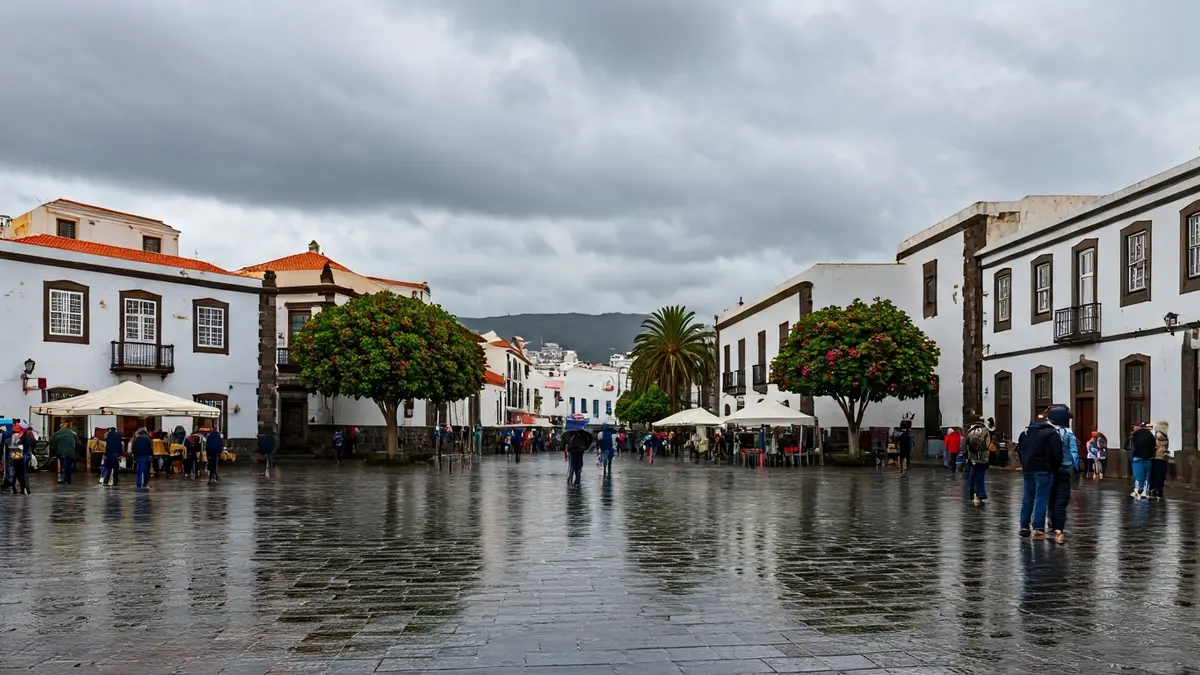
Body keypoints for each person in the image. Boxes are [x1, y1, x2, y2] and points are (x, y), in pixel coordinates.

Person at [1017, 412, 1064, 540]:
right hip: (1045, 470)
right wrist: (1056, 466)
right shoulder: (1052, 434)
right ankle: (1038, 528)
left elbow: (1020, 450)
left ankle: (1024, 526)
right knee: (1041, 498)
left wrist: (1024, 464)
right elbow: (1057, 454)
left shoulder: (1025, 434)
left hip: (1028, 469)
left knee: (1028, 496)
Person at [1045, 406, 1079, 544]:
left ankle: (1048, 520)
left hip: (1049, 468)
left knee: (1049, 496)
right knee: (1061, 498)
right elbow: (1074, 452)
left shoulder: (1047, 431)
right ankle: (1058, 527)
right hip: (1065, 468)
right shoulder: (1068, 433)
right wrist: (1075, 468)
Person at [965, 422, 992, 505]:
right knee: (980, 477)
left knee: (972, 478)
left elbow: (965, 445)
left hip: (973, 460)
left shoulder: (970, 432)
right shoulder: (986, 431)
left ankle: (973, 495)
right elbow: (988, 445)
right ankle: (980, 495)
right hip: (984, 459)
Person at [1129, 422, 1156, 500]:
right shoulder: (1151, 435)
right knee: (1148, 476)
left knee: (1138, 476)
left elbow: (1130, 446)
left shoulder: (1135, 435)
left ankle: (1137, 491)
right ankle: (1145, 491)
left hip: (1138, 457)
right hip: (1149, 458)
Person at [51, 420, 80, 485]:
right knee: (68, 466)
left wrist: (53, 454)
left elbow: (53, 445)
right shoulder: (73, 434)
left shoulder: (57, 434)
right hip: (71, 453)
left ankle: (63, 480)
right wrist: (76, 454)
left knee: (63, 466)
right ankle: (68, 480)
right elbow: (77, 444)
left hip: (61, 452)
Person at [1149, 421, 1170, 500]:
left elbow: (1154, 446)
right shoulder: (1166, 437)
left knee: (1155, 475)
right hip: (1162, 458)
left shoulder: (1158, 436)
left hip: (1156, 458)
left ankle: (1154, 489)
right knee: (1161, 475)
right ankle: (1159, 490)